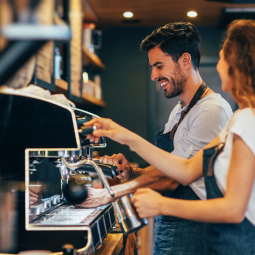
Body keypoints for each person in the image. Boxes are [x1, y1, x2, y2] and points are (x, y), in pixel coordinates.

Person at [84, 19, 255, 255]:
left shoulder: (241, 119)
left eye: (223, 58)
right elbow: (184, 169)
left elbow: (234, 209)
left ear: (238, 65)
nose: (217, 65)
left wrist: (160, 203)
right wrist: (125, 138)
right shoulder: (237, 118)